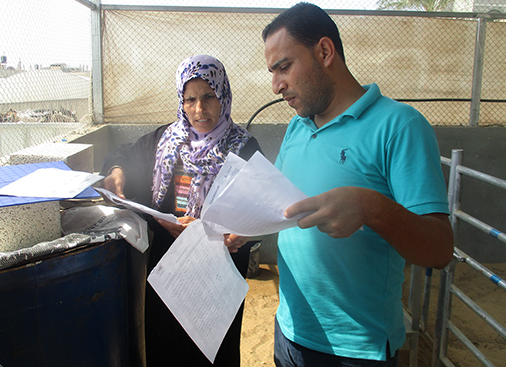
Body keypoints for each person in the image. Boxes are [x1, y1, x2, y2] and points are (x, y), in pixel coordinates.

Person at [257, 3, 454, 366]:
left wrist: (370, 208)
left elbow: (439, 249)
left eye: (284, 67)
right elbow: (278, 203)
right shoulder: (296, 128)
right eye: (272, 72)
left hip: (355, 350)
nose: (276, 85)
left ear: (325, 51)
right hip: (290, 332)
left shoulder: (399, 126)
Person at [100, 54, 261, 366]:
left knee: (215, 354)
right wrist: (117, 170)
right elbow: (119, 154)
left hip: (218, 280)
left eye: (208, 97)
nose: (199, 110)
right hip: (168, 277)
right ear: (181, 101)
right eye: (190, 100)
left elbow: (260, 208)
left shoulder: (244, 147)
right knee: (166, 350)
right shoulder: (164, 141)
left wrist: (244, 232)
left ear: (223, 95)